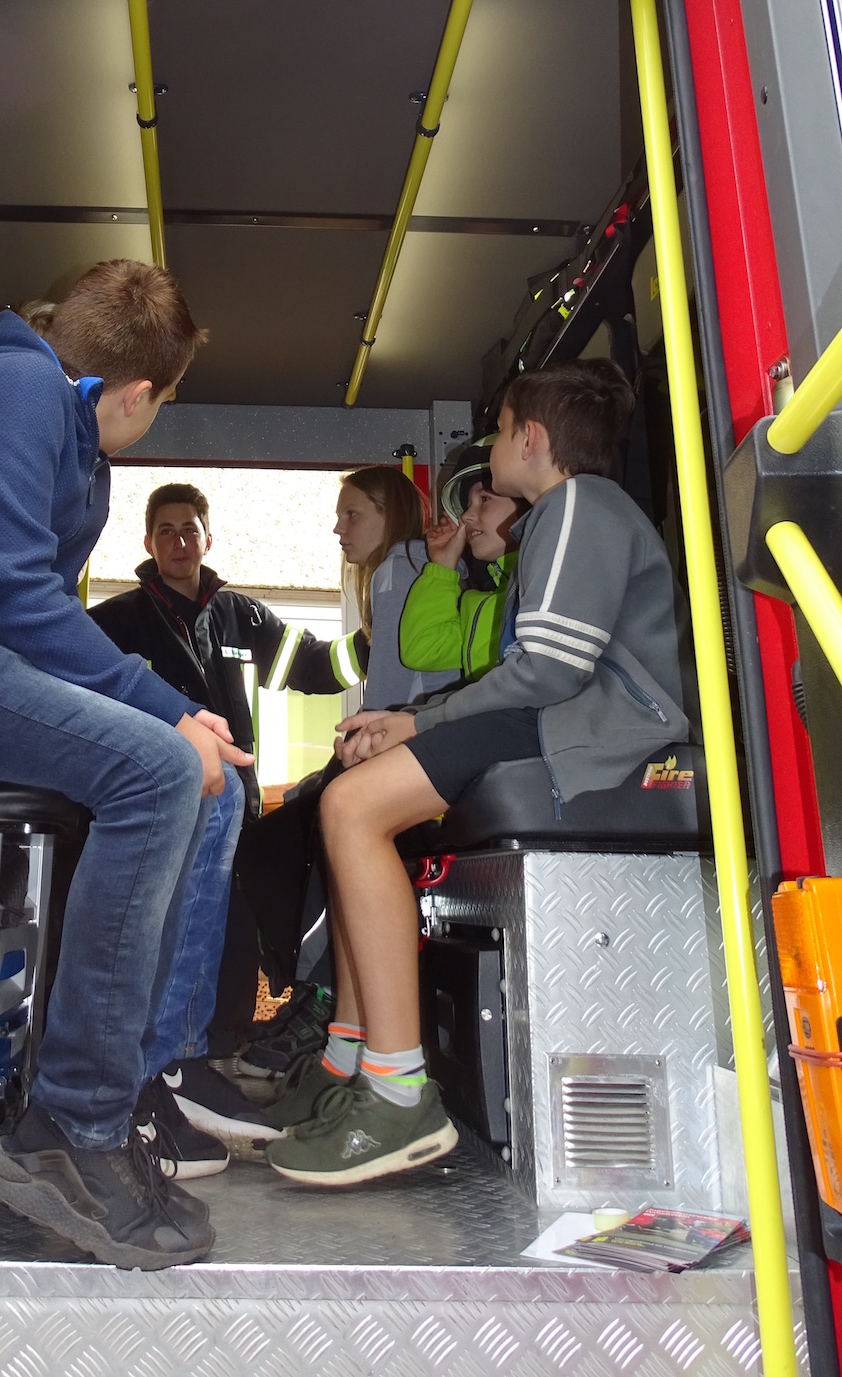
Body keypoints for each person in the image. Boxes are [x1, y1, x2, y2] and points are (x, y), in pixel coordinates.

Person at [0, 260, 254, 1269]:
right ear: (140, 392)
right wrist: (167, 711)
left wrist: (180, 718)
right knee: (161, 770)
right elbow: (21, 600)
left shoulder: (62, 421)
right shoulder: (10, 386)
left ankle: (135, 1080)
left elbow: (36, 608)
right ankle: (72, 1125)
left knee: (211, 783)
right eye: (161, 405)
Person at [265, 360, 692, 1186]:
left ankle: (396, 1093)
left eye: (497, 432)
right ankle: (351, 1056)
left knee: (352, 809)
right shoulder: (565, 515)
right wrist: (410, 720)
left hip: (590, 730)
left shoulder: (581, 505)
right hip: (559, 717)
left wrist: (418, 722)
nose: (491, 450)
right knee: (348, 804)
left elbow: (551, 671)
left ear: (531, 440)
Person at [89, 482, 367, 1173]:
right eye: (166, 530)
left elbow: (318, 668)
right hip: (154, 811)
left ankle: (205, 1063)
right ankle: (168, 1068)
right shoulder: (116, 622)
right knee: (159, 932)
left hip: (232, 811)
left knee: (230, 938)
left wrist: (383, 631)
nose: (180, 542)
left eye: (190, 529)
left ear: (208, 540)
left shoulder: (241, 616)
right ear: (148, 543)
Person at [235, 465, 457, 1082]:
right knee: (300, 817)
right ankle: (319, 996)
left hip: (414, 748)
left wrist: (354, 752)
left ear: (392, 516)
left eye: (353, 514)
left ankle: (324, 999)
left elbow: (392, 692)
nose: (339, 529)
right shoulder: (414, 568)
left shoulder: (399, 569)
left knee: (297, 834)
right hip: (427, 742)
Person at [398, 436, 524, 683]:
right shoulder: (482, 605)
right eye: (467, 505)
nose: (466, 516)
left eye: (484, 499)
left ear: (529, 503)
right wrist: (443, 566)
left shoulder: (550, 588)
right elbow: (423, 650)